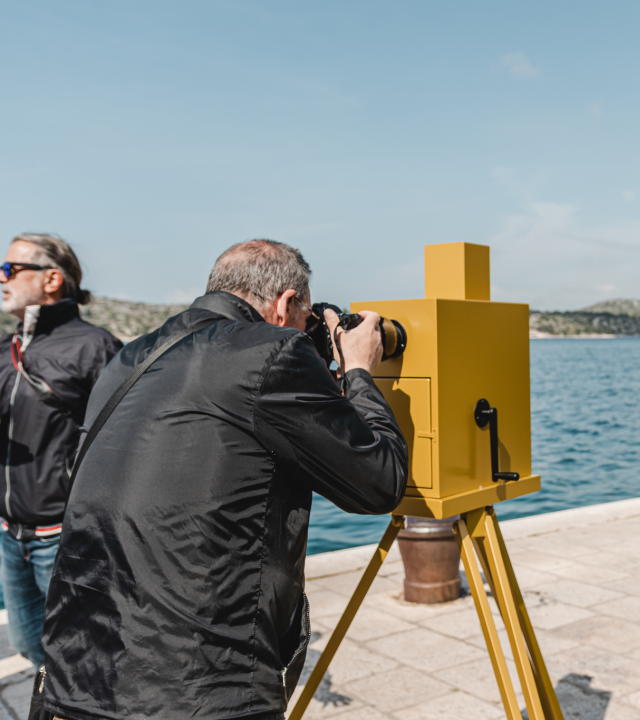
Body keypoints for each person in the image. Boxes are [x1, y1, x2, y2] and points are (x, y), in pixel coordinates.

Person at [41, 240, 408, 720]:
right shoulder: (272, 350)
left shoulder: (130, 357)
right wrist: (358, 370)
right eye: (305, 316)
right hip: (196, 687)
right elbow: (380, 481)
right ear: (285, 304)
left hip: (79, 669)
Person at [0, 233, 122, 668]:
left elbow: (125, 441)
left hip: (64, 535)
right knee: (31, 646)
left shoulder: (96, 348)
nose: (2, 278)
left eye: (10, 269)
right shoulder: (6, 349)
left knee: (80, 656)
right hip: (10, 534)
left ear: (51, 279)